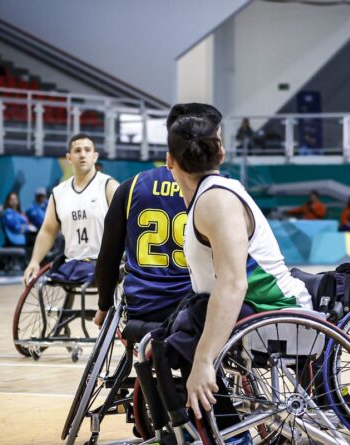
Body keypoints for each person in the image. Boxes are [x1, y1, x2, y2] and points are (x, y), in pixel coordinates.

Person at [163, 112, 312, 430]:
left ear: (169, 161)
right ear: (222, 152)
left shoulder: (216, 201)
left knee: (186, 330)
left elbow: (232, 284)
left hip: (276, 311)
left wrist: (203, 360)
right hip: (257, 310)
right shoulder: (210, 194)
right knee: (178, 327)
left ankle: (228, 433)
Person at [93, 103, 222, 327]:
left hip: (141, 307)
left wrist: (103, 305)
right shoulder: (220, 191)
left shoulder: (130, 186)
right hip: (195, 309)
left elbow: (108, 256)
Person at [23, 134, 118, 285]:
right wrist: (34, 261)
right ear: (69, 158)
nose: (82, 154)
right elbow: (48, 230)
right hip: (72, 264)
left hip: (104, 263)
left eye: (87, 150)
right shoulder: (59, 192)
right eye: (77, 150)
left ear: (95, 156)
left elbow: (127, 225)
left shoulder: (109, 186)